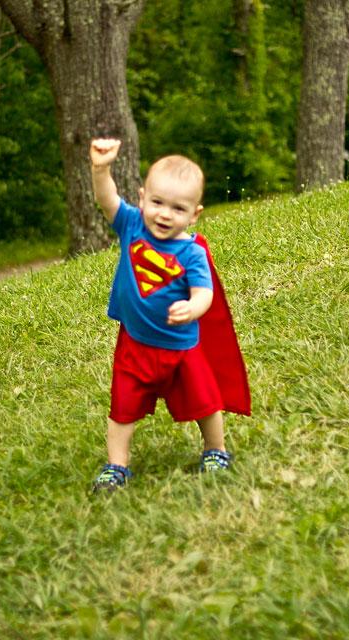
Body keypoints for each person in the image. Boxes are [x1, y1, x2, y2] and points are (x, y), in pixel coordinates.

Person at [90, 138, 250, 492]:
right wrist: (101, 169)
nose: (164, 214)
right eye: (158, 202)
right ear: (143, 197)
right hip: (136, 346)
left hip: (182, 349)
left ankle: (215, 449)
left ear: (194, 214)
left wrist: (193, 307)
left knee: (205, 401)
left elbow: (204, 292)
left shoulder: (191, 252)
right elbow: (107, 200)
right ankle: (117, 465)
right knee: (122, 408)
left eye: (178, 209)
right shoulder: (132, 225)